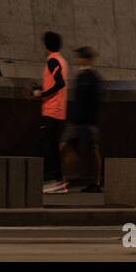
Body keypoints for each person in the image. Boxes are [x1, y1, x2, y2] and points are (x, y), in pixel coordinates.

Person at [32, 31, 68, 194]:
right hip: (60, 111)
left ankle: (50, 181)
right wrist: (42, 89)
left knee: (46, 146)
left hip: (51, 111)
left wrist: (42, 94)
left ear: (46, 45)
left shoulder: (52, 60)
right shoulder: (62, 60)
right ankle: (59, 182)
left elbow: (59, 83)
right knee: (53, 147)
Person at [63, 46, 103, 192]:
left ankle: (95, 182)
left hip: (87, 122)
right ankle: (68, 179)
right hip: (76, 121)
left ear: (86, 59)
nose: (78, 60)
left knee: (92, 151)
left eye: (80, 57)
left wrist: (89, 121)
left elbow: (94, 101)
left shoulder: (93, 78)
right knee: (66, 147)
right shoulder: (81, 76)